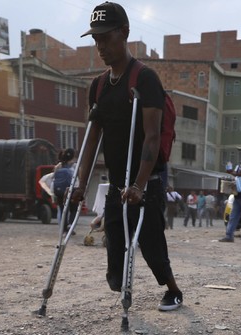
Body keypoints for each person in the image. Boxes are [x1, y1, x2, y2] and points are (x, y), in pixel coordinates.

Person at [71, 2, 184, 312]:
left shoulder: (145, 79)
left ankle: (173, 289)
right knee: (114, 246)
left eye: (106, 38)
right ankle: (118, 279)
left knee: (150, 243)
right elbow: (92, 139)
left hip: (147, 180)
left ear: (125, 33)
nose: (100, 46)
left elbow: (151, 135)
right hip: (117, 182)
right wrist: (80, 184)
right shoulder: (97, 87)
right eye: (96, 40)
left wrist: (139, 185)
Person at [53, 148, 76, 226]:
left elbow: (54, 177)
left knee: (63, 209)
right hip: (72, 189)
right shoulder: (75, 165)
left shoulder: (58, 166)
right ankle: (70, 224)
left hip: (59, 190)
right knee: (73, 209)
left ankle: (64, 228)